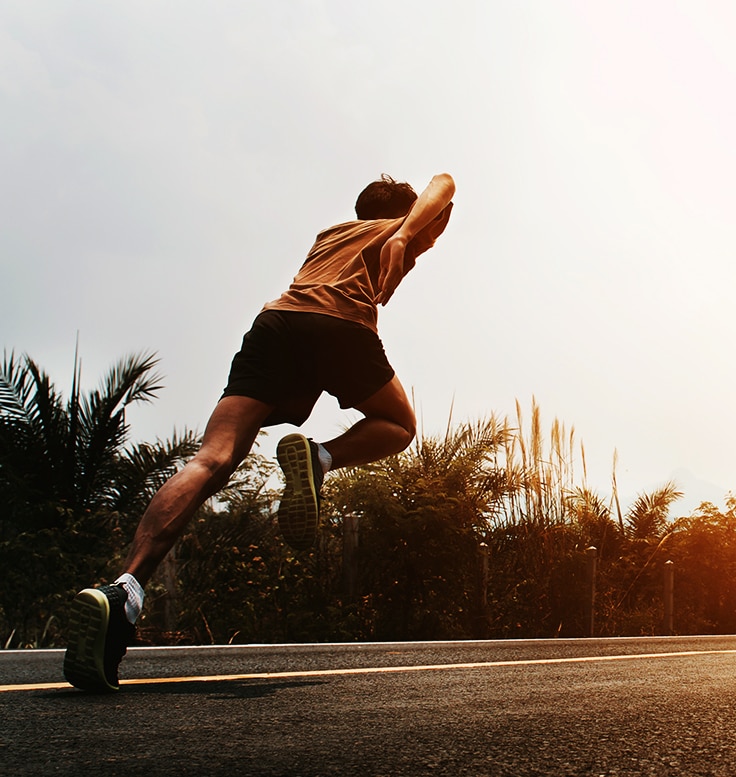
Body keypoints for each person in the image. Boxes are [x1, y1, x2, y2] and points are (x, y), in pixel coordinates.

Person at [62, 172, 456, 692]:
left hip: (276, 324)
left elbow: (296, 394)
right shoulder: (395, 232)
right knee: (399, 425)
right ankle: (321, 460)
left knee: (212, 459)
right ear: (404, 216)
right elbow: (445, 183)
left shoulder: (331, 237)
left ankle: (125, 589)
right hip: (339, 325)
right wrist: (406, 230)